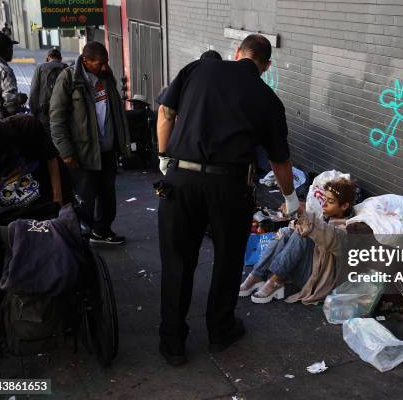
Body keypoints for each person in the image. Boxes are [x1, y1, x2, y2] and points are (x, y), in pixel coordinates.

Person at [156, 34, 298, 366]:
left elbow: (165, 112)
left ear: (237, 53)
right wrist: (290, 197)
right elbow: (280, 160)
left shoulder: (198, 70)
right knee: (227, 260)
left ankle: (172, 342)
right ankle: (220, 330)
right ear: (266, 65)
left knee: (177, 260)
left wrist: (164, 156)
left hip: (182, 180)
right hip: (230, 187)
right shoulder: (267, 97)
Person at [49, 41, 131, 245]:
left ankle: (101, 232)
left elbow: (115, 112)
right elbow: (57, 119)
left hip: (107, 150)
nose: (104, 67)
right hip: (82, 153)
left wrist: (122, 143)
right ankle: (79, 241)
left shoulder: (106, 76)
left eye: (106, 63)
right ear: (85, 61)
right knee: (84, 200)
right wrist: (66, 153)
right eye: (99, 63)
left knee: (107, 196)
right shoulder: (69, 79)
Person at [240, 178, 355, 304]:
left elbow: (327, 234)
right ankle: (257, 275)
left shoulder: (346, 230)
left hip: (316, 280)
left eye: (331, 201)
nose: (324, 204)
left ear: (344, 206)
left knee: (302, 235)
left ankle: (275, 281)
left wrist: (302, 214)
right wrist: (297, 220)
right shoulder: (325, 217)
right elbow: (313, 226)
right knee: (285, 232)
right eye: (325, 199)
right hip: (305, 267)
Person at [0, 115, 69, 209]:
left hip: (46, 183)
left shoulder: (27, 125)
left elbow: (51, 158)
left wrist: (57, 198)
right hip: (12, 204)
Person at [29, 48, 67, 131]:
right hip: (63, 111)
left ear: (47, 58)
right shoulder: (66, 68)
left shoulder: (41, 68)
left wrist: (33, 112)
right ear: (60, 58)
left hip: (44, 112)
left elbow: (33, 92)